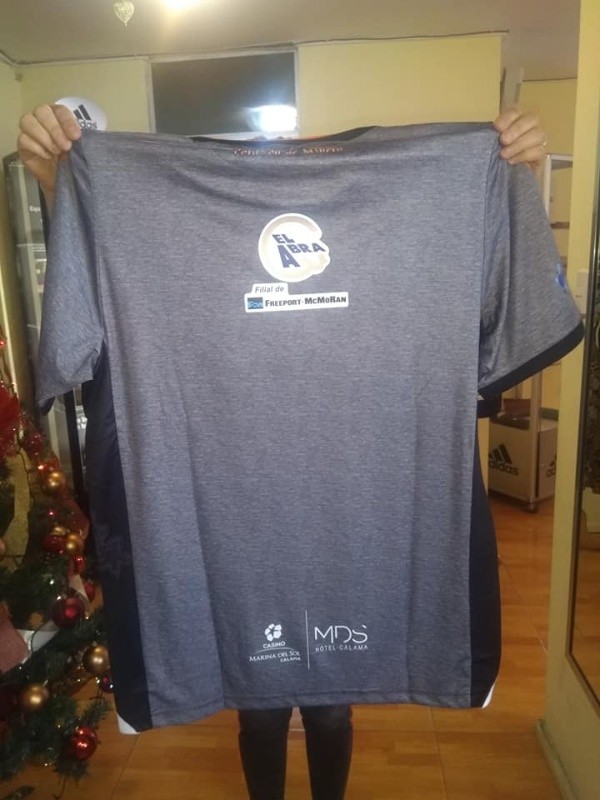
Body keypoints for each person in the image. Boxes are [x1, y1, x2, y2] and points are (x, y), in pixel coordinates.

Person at [17, 103, 549, 800]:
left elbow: (505, 323)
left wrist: (514, 176)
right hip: (234, 533)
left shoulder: (448, 181)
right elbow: (85, 322)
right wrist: (64, 182)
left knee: (328, 708)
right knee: (262, 709)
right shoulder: (134, 194)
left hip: (356, 536)